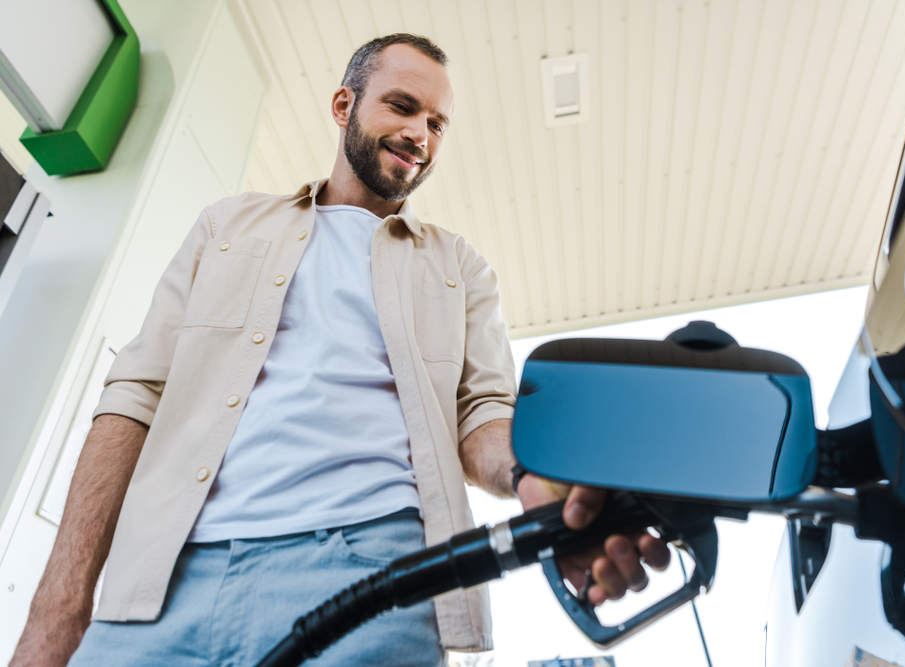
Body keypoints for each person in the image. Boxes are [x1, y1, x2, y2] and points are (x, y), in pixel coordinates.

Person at [11, 33, 668, 667]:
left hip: (377, 575)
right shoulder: (226, 227)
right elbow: (133, 398)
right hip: (161, 586)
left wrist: (537, 480)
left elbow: (482, 419)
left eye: (438, 123)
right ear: (343, 106)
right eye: (403, 107)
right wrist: (57, 609)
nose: (421, 134)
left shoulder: (461, 267)